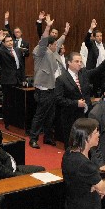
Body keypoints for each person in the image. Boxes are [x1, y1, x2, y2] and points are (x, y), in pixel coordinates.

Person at [55, 48, 105, 147]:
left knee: (85, 144)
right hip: (71, 117)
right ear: (69, 62)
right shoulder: (61, 79)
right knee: (72, 145)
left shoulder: (84, 73)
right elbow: (58, 99)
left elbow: (98, 70)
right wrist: (76, 103)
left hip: (86, 115)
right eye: (76, 61)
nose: (79, 64)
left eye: (80, 61)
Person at [29, 16, 68, 148]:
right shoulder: (41, 52)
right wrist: (47, 27)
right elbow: (43, 41)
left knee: (51, 115)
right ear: (49, 45)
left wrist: (65, 33)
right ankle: (33, 138)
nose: (57, 46)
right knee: (40, 115)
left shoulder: (52, 52)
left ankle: (48, 137)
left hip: (52, 89)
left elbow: (59, 41)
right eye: (55, 45)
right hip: (43, 90)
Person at [0, 29, 26, 121]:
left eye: (11, 40)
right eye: (7, 41)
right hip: (7, 80)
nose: (10, 42)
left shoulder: (17, 50)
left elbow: (21, 66)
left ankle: (16, 119)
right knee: (8, 102)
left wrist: (23, 79)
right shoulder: (1, 51)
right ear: (3, 43)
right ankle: (7, 120)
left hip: (18, 80)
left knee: (17, 101)